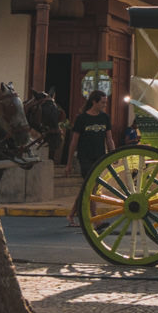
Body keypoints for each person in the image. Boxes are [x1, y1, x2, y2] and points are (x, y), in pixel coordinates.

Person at [66, 90, 114, 227]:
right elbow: (74, 141)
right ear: (94, 102)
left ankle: (71, 215)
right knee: (91, 187)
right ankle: (96, 219)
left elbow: (109, 139)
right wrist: (69, 163)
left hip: (99, 157)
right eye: (103, 102)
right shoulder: (82, 119)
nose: (105, 105)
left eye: (106, 102)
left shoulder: (105, 118)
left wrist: (113, 155)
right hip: (85, 157)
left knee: (88, 188)